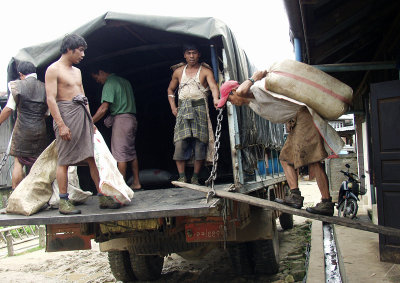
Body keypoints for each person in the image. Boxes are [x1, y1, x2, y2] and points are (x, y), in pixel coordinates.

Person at [217, 70, 344, 216]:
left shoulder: (254, 90)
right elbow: (280, 107)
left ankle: (326, 202)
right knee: (285, 158)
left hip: (304, 116)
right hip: (295, 119)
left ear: (234, 91)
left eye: (229, 99)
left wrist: (254, 78)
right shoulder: (252, 103)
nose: (231, 103)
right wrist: (288, 122)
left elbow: (242, 90)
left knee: (313, 160)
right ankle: (295, 196)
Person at [45, 34, 120, 215]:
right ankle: (64, 201)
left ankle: (102, 196)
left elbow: (83, 98)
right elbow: (51, 99)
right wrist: (61, 125)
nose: (83, 54)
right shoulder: (53, 69)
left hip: (81, 116)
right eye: (80, 50)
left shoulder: (77, 71)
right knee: (64, 160)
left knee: (91, 158)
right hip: (65, 116)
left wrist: (89, 121)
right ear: (70, 50)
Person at [167, 44, 220, 184]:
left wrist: (215, 99)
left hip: (200, 109)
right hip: (183, 110)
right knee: (180, 143)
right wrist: (173, 107)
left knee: (200, 144)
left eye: (194, 53)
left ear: (199, 54)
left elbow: (214, 86)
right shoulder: (178, 71)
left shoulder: (205, 71)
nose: (191, 56)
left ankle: (195, 177)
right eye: (189, 53)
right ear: (184, 55)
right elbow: (170, 90)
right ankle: (182, 177)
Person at [0, 61, 49, 189]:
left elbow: (9, 109)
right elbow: (47, 113)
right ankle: (34, 195)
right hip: (40, 130)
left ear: (21, 74)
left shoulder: (17, 86)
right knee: (37, 163)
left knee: (19, 162)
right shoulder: (45, 87)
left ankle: (16, 194)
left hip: (23, 130)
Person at [91, 67, 141, 191]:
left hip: (122, 121)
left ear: (101, 71)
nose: (98, 81)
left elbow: (104, 108)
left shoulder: (110, 83)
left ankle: (121, 186)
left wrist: (90, 121)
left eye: (96, 78)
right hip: (131, 119)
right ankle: (136, 182)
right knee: (131, 152)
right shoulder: (124, 81)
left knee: (120, 155)